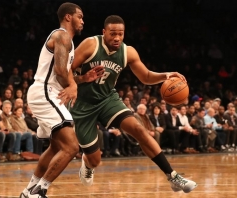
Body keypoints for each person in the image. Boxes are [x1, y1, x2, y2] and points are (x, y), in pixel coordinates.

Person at [65, 15, 197, 193]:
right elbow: (65, 72)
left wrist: (165, 75)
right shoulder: (91, 45)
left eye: (120, 34)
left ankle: (172, 176)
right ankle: (87, 164)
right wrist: (82, 78)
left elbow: (146, 76)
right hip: (83, 105)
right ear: (104, 33)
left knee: (139, 129)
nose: (117, 38)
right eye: (113, 34)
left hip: (107, 99)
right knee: (95, 160)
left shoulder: (128, 52)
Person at [21, 3, 84, 198]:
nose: (83, 21)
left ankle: (28, 192)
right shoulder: (61, 35)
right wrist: (73, 85)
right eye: (80, 16)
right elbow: (59, 72)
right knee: (72, 146)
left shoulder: (66, 41)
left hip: (49, 93)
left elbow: (64, 73)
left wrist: (82, 79)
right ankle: (39, 192)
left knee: (57, 147)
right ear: (68, 17)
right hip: (45, 92)